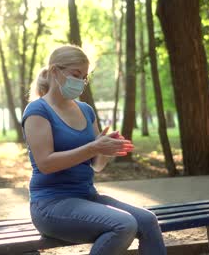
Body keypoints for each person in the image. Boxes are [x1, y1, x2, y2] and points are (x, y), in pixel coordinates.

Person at [22, 45, 167, 255]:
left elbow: (96, 165)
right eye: (76, 74)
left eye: (84, 76)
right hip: (50, 205)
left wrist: (105, 150)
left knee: (148, 220)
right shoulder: (37, 111)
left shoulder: (85, 110)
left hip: (86, 196)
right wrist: (92, 147)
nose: (80, 82)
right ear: (55, 71)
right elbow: (46, 164)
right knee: (124, 224)